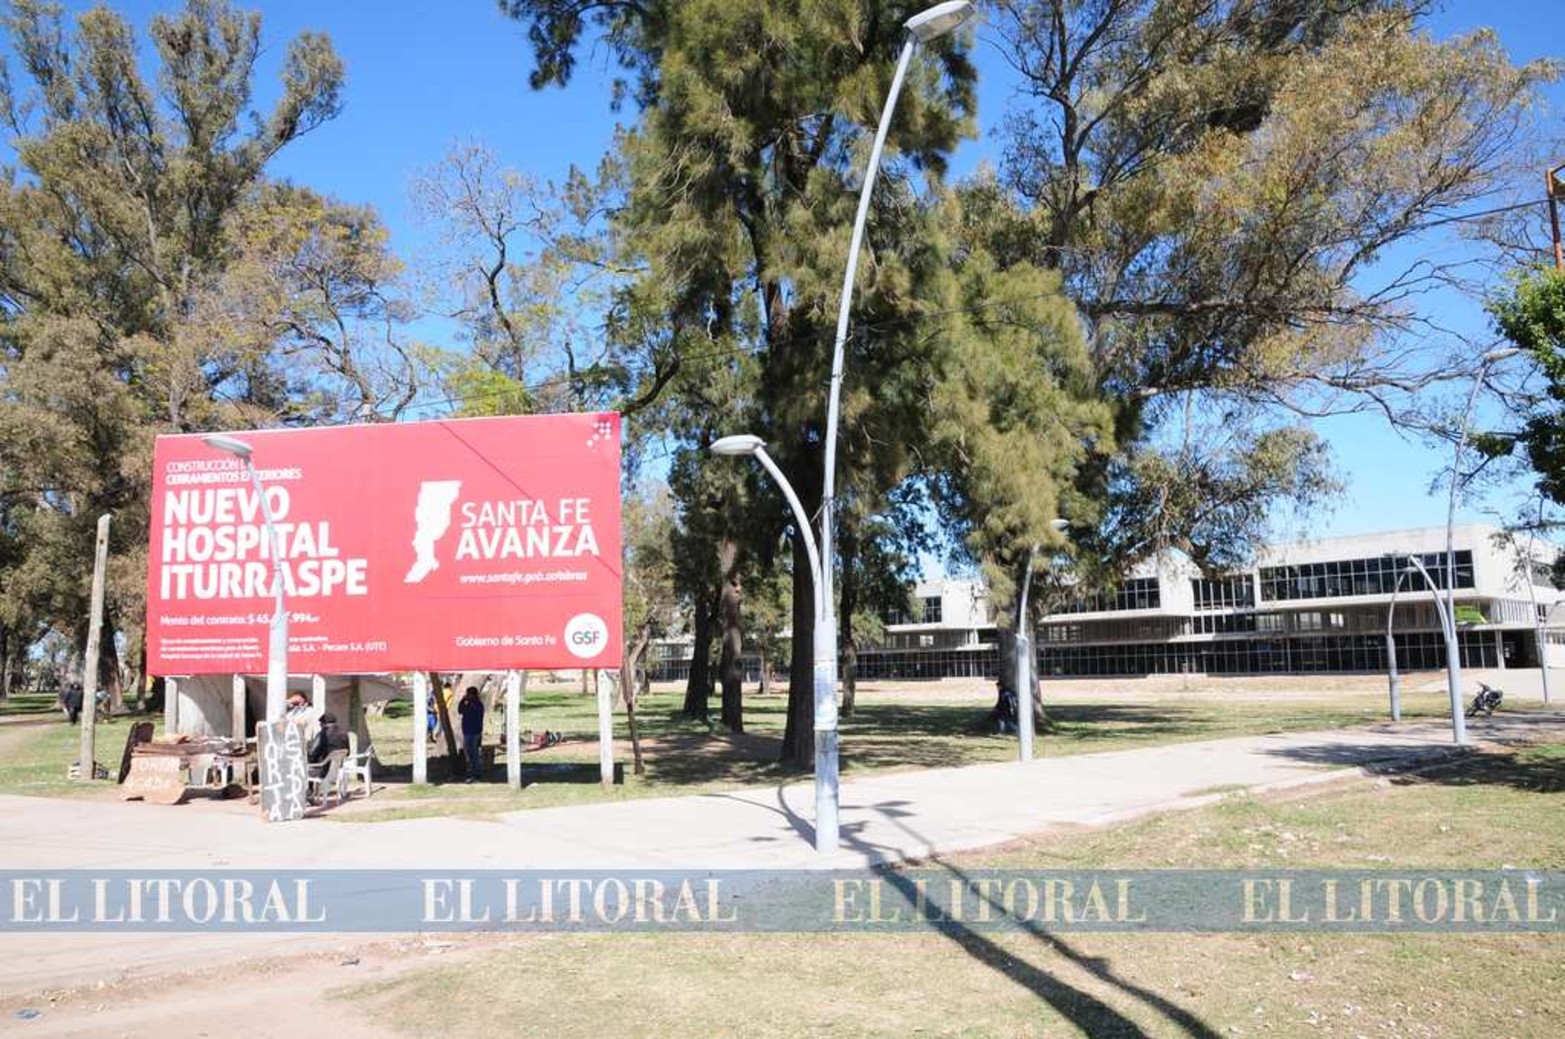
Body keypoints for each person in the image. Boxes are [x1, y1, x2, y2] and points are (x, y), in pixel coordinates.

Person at [457, 685, 484, 782]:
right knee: (468, 753)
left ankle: (476, 772)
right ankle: (470, 771)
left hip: (475, 731)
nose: (468, 696)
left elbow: (477, 715)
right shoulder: (466, 704)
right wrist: (462, 700)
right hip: (467, 731)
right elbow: (460, 710)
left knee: (474, 753)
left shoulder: (478, 705)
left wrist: (469, 702)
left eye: (469, 694)